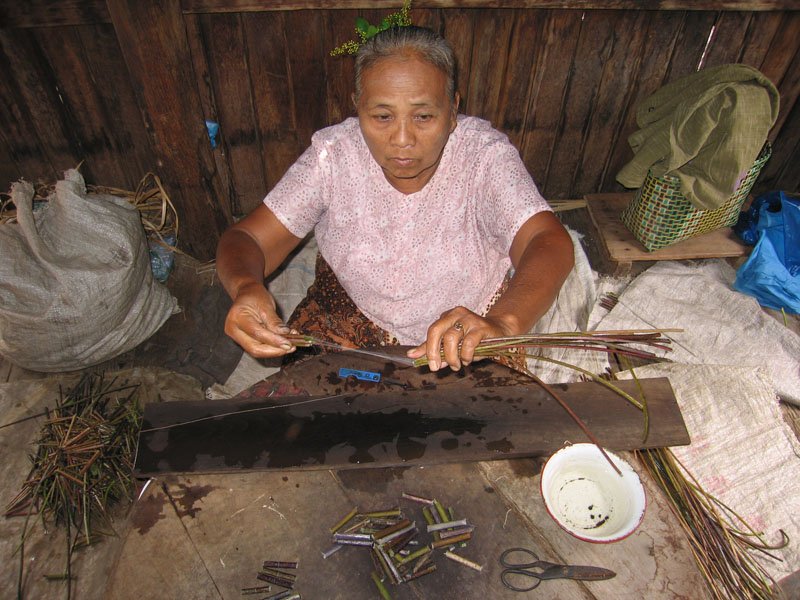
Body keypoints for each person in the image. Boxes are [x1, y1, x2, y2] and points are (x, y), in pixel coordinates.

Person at [216, 25, 574, 372]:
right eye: (382, 116)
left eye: (423, 116)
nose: (402, 139)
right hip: (349, 317)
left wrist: (504, 322)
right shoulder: (333, 157)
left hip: (468, 332)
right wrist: (247, 288)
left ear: (452, 111)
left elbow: (547, 240)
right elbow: (247, 239)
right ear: (358, 108)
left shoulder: (483, 158)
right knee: (311, 423)